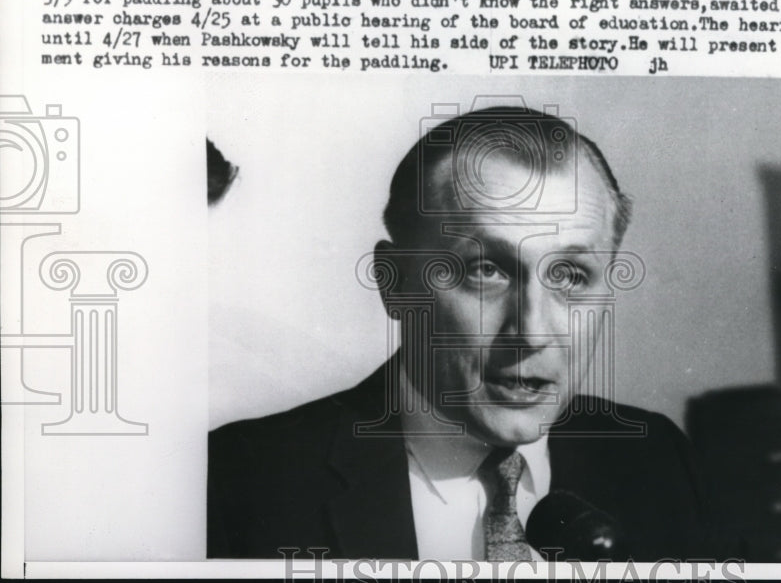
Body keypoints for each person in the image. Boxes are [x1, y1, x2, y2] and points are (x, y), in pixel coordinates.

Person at [207, 102, 717, 561]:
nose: (533, 333)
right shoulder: (237, 483)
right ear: (395, 285)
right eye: (486, 270)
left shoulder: (656, 457)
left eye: (568, 275)